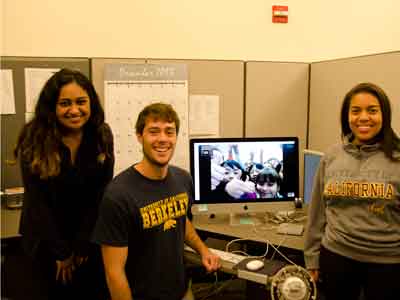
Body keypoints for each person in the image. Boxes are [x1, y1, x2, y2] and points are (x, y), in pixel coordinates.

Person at [92, 103, 220, 300]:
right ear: (139, 136)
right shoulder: (118, 195)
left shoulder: (183, 179)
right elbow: (114, 274)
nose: (162, 139)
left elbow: (180, 220)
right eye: (154, 131)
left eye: (169, 132)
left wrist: (203, 250)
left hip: (183, 292)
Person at [14, 68, 114, 300]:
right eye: (64, 103)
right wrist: (62, 253)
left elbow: (100, 194)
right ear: (52, 107)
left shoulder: (101, 135)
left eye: (81, 102)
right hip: (46, 241)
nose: (74, 110)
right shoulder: (35, 138)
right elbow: (38, 203)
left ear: (91, 103)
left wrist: (81, 245)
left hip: (87, 239)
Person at [303, 82, 400, 300]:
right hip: (337, 256)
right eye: (356, 111)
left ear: (384, 115)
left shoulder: (397, 158)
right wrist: (312, 257)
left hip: (388, 264)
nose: (363, 118)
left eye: (372, 110)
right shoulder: (332, 156)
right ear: (347, 116)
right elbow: (317, 212)